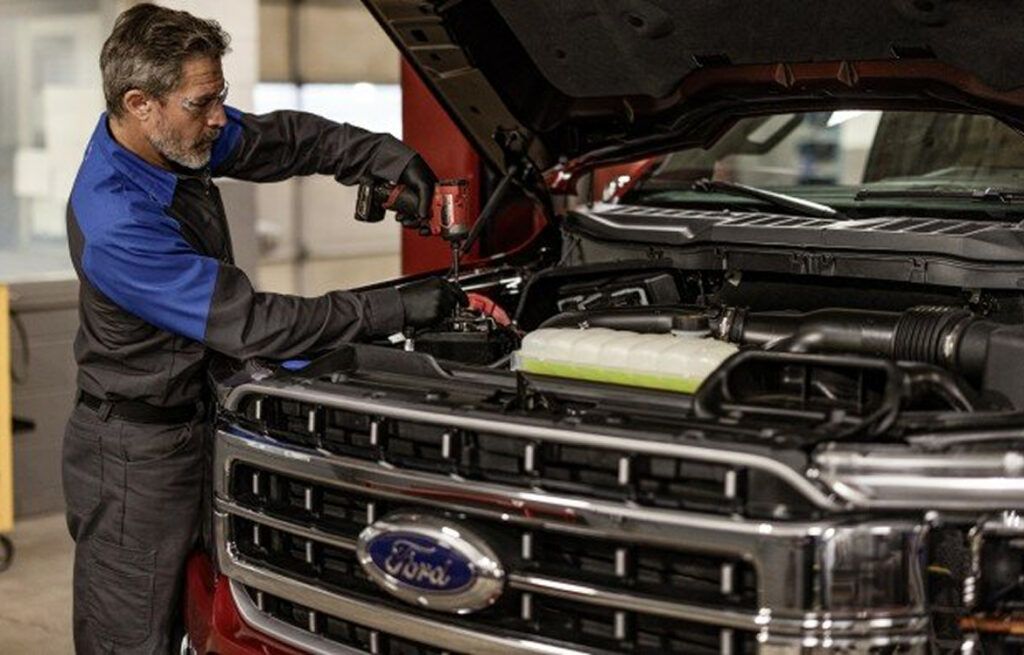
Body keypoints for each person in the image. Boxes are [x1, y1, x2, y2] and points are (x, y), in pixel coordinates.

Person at [62, 4, 463, 653]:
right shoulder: (117, 223)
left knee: (212, 622)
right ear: (141, 104)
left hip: (200, 423)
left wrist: (380, 157)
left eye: (219, 96)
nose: (219, 117)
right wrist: (398, 308)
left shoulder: (175, 135)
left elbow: (286, 139)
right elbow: (249, 323)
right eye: (203, 103)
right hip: (133, 460)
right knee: (131, 636)